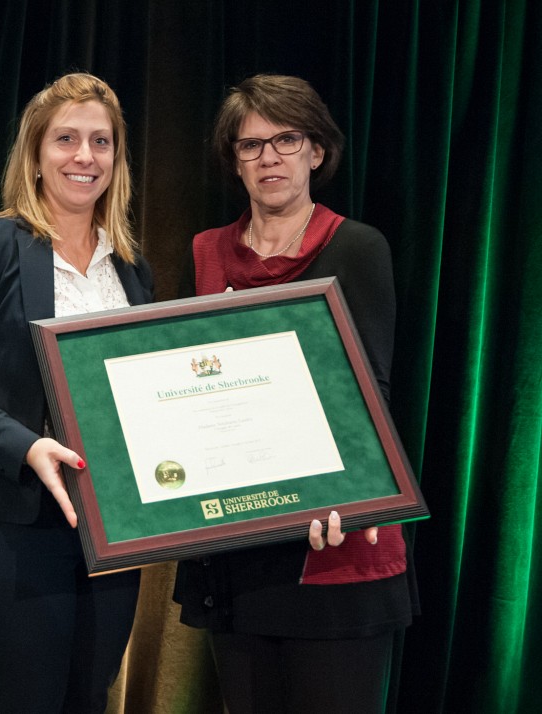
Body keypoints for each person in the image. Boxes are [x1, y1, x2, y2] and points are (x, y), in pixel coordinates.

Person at [173, 74, 418, 713]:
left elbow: (371, 394)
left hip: (331, 542)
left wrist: (339, 497)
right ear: (233, 160)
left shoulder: (357, 247)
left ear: (316, 151)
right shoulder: (206, 254)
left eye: (287, 139)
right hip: (237, 548)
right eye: (250, 145)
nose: (269, 157)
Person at [0, 73, 154, 714]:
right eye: (67, 139)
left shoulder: (128, 265)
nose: (85, 156)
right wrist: (28, 447)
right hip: (11, 521)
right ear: (36, 154)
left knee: (90, 697)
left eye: (101, 142)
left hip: (112, 526)